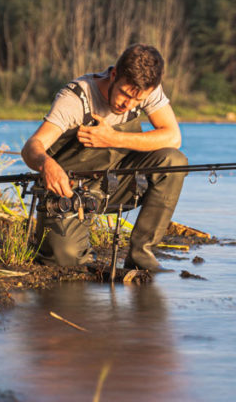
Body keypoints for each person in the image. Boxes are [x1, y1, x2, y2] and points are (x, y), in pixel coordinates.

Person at [21, 44, 187, 270]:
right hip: (70, 192)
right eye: (126, 94)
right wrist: (46, 164)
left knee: (173, 161)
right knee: (65, 260)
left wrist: (113, 139)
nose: (129, 104)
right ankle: (79, 247)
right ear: (114, 75)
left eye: (138, 101)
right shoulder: (76, 98)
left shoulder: (145, 90)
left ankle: (141, 253)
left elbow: (173, 137)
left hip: (117, 185)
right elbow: (32, 146)